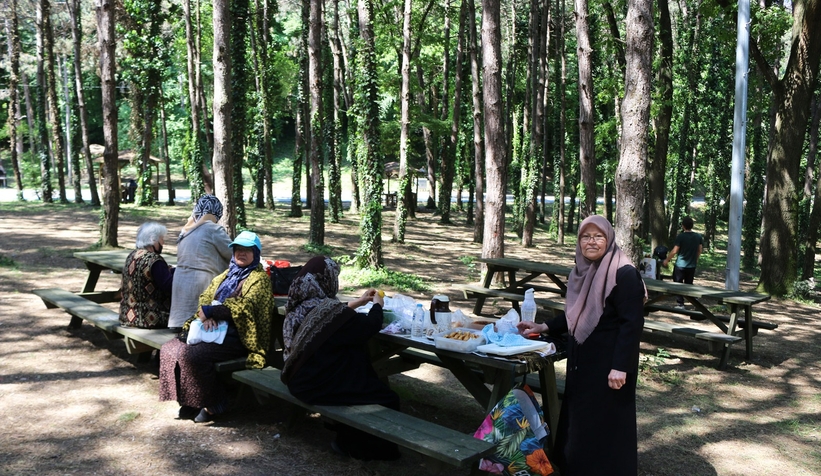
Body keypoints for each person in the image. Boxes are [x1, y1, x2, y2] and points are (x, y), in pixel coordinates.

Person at [517, 215, 645, 476]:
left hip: (610, 366)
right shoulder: (583, 270)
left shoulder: (624, 272)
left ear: (608, 239)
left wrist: (620, 367)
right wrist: (545, 327)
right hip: (583, 362)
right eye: (586, 236)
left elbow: (631, 325)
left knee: (607, 427)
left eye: (598, 236)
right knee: (581, 425)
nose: (592, 242)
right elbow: (578, 313)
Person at [281, 256, 401, 461]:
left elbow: (330, 316)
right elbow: (366, 327)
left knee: (355, 367)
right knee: (385, 398)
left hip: (297, 379)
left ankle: (346, 435)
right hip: (314, 386)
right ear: (326, 280)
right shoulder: (328, 311)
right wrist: (377, 306)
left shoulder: (299, 304)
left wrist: (360, 301)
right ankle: (358, 447)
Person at [159, 231, 274, 423]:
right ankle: (190, 400)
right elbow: (206, 296)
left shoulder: (259, 279)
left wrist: (214, 311)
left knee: (194, 355)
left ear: (256, 253)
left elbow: (248, 306)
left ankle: (216, 403)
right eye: (237, 249)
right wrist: (206, 316)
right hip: (213, 330)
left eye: (246, 250)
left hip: (239, 335)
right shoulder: (227, 274)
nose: (241, 254)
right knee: (170, 349)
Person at [167, 195, 233, 332]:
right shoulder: (212, 229)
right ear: (216, 213)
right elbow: (234, 254)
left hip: (180, 287)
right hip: (201, 285)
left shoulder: (185, 231)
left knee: (183, 324)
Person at [120, 221, 174, 329]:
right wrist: (177, 272)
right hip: (151, 319)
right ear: (153, 240)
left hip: (127, 315)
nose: (163, 243)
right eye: (161, 239)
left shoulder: (132, 255)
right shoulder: (154, 260)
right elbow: (169, 286)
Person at [662, 216, 703, 308]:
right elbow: (699, 250)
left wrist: (667, 260)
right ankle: (693, 301)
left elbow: (675, 250)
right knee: (689, 284)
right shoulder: (698, 237)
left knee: (677, 284)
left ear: (683, 226)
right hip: (691, 265)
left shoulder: (681, 237)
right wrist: (695, 259)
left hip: (680, 264)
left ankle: (680, 303)